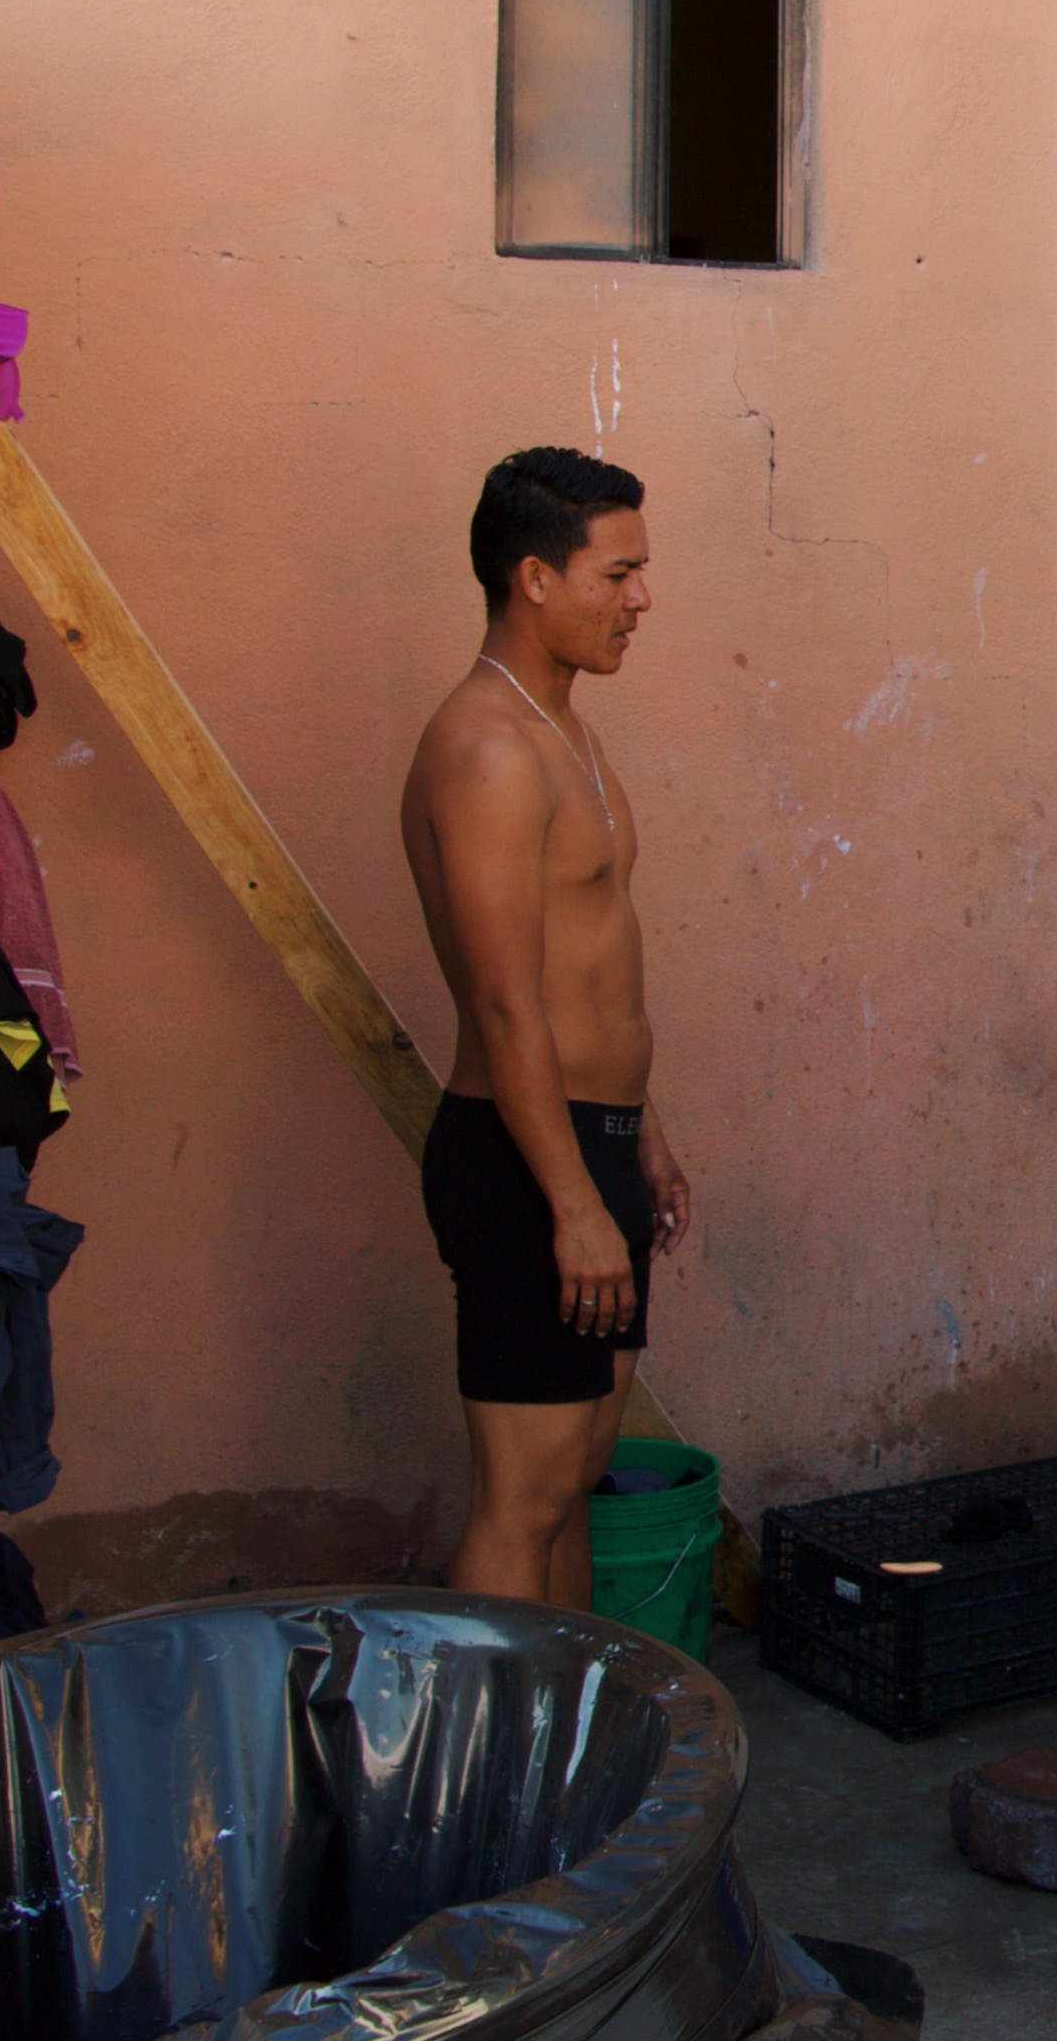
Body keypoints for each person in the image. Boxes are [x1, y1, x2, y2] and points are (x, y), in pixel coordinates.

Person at [402, 447, 693, 1604]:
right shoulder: (488, 748)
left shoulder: (564, 729)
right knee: (520, 1501)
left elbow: (590, 967)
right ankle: (487, 1768)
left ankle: (564, 1750)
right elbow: (505, 999)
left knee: (572, 1481)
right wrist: (573, 1202)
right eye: (615, 572)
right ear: (533, 578)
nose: (640, 600)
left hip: (594, 1140)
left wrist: (644, 1131)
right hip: (528, 1162)